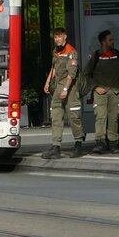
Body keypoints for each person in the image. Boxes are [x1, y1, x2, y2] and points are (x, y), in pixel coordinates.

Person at [83, 30, 119, 155]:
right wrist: (95, 87)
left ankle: (114, 144)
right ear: (103, 42)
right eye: (110, 40)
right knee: (100, 117)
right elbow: (87, 74)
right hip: (100, 93)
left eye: (113, 39)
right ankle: (100, 143)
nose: (113, 42)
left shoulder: (118, 54)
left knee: (114, 118)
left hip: (115, 92)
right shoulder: (96, 55)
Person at [41, 27, 86, 159]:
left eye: (59, 36)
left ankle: (78, 145)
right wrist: (47, 82)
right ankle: (56, 147)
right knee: (55, 116)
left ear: (65, 36)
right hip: (58, 86)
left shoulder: (71, 52)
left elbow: (72, 74)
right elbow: (54, 67)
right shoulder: (56, 51)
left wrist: (66, 89)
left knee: (73, 116)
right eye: (55, 37)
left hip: (70, 87)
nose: (57, 39)